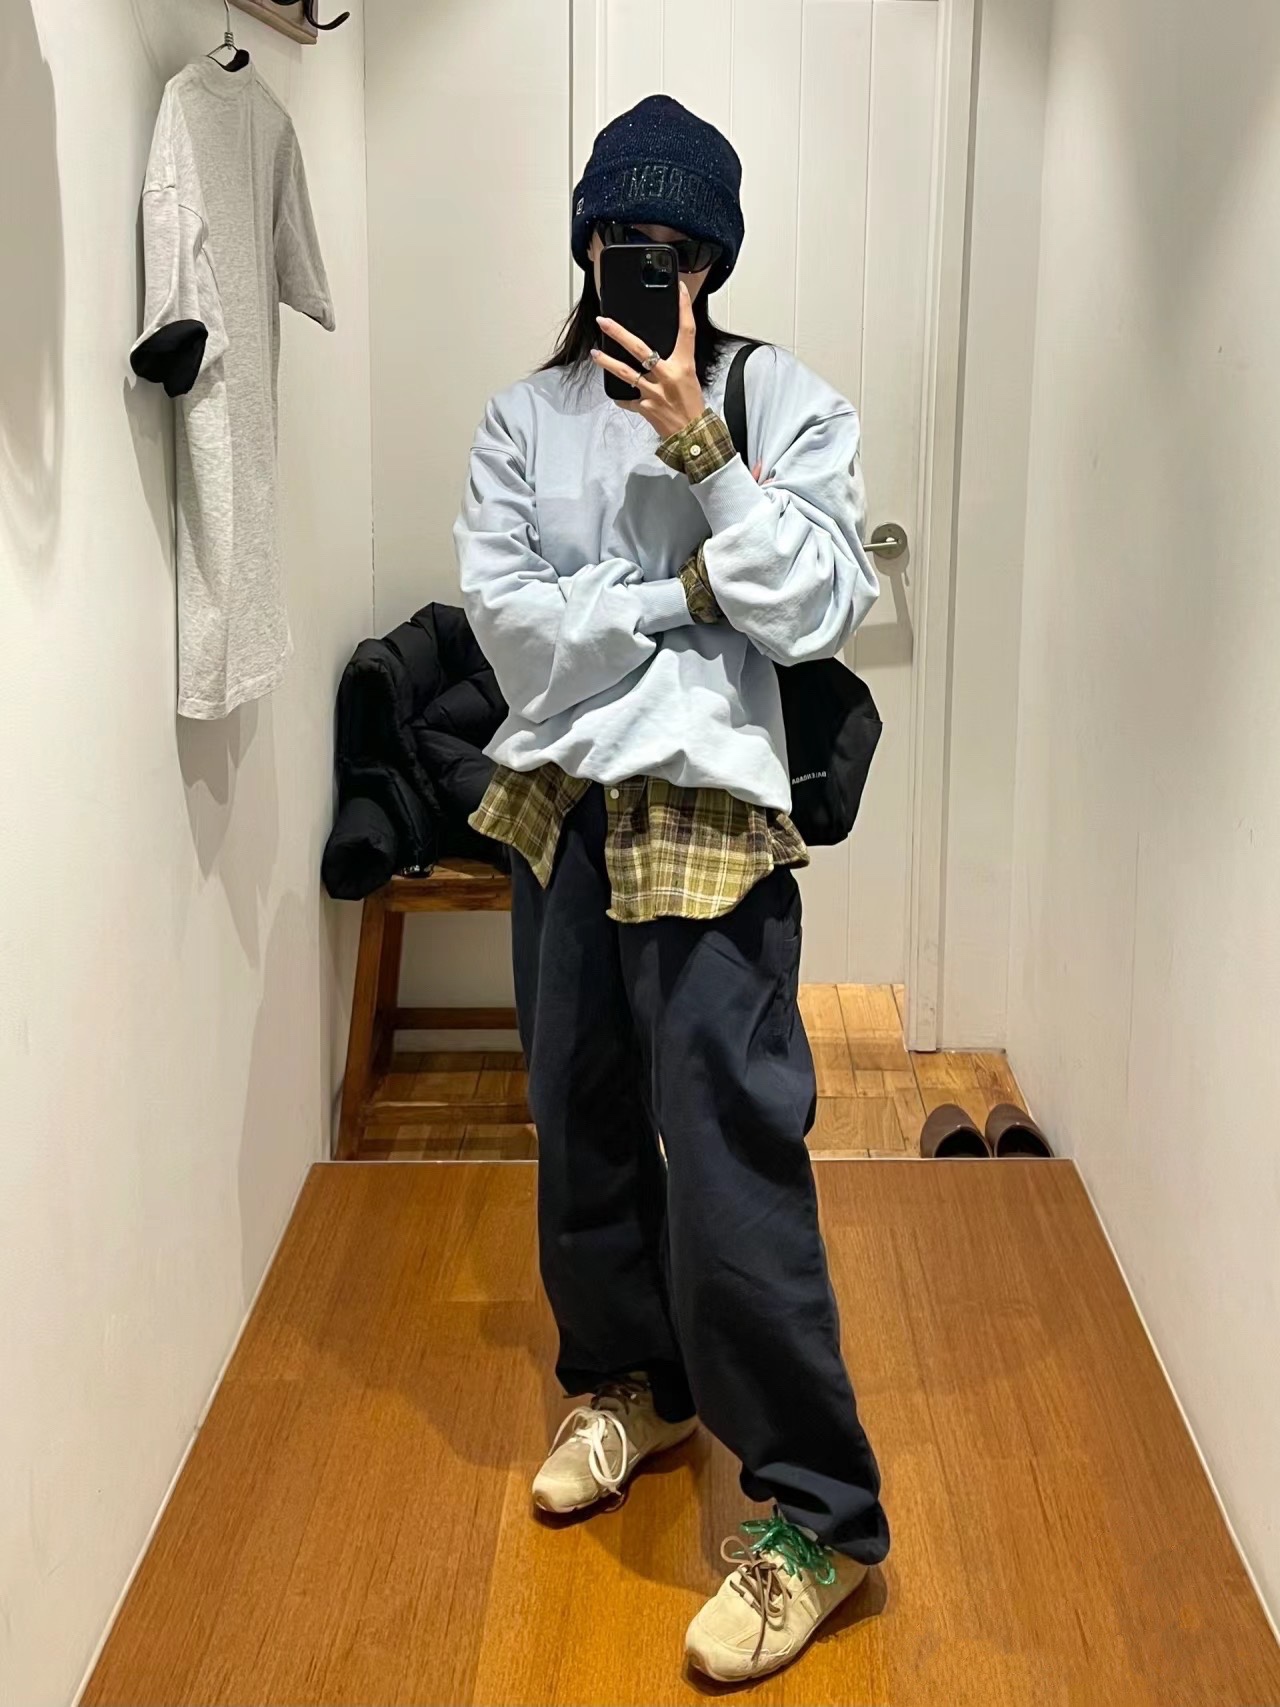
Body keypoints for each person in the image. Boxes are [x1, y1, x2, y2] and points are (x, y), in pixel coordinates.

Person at [455, 94, 889, 1683]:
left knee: (727, 1165)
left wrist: (706, 452)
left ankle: (821, 1516)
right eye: (624, 243)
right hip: (564, 803)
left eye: (681, 250)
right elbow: (514, 631)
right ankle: (633, 1386)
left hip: (710, 811)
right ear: (584, 247)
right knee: (577, 1129)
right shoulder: (523, 418)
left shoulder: (784, 403)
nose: (651, 271)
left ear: (715, 262)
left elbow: (813, 609)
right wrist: (679, 595)